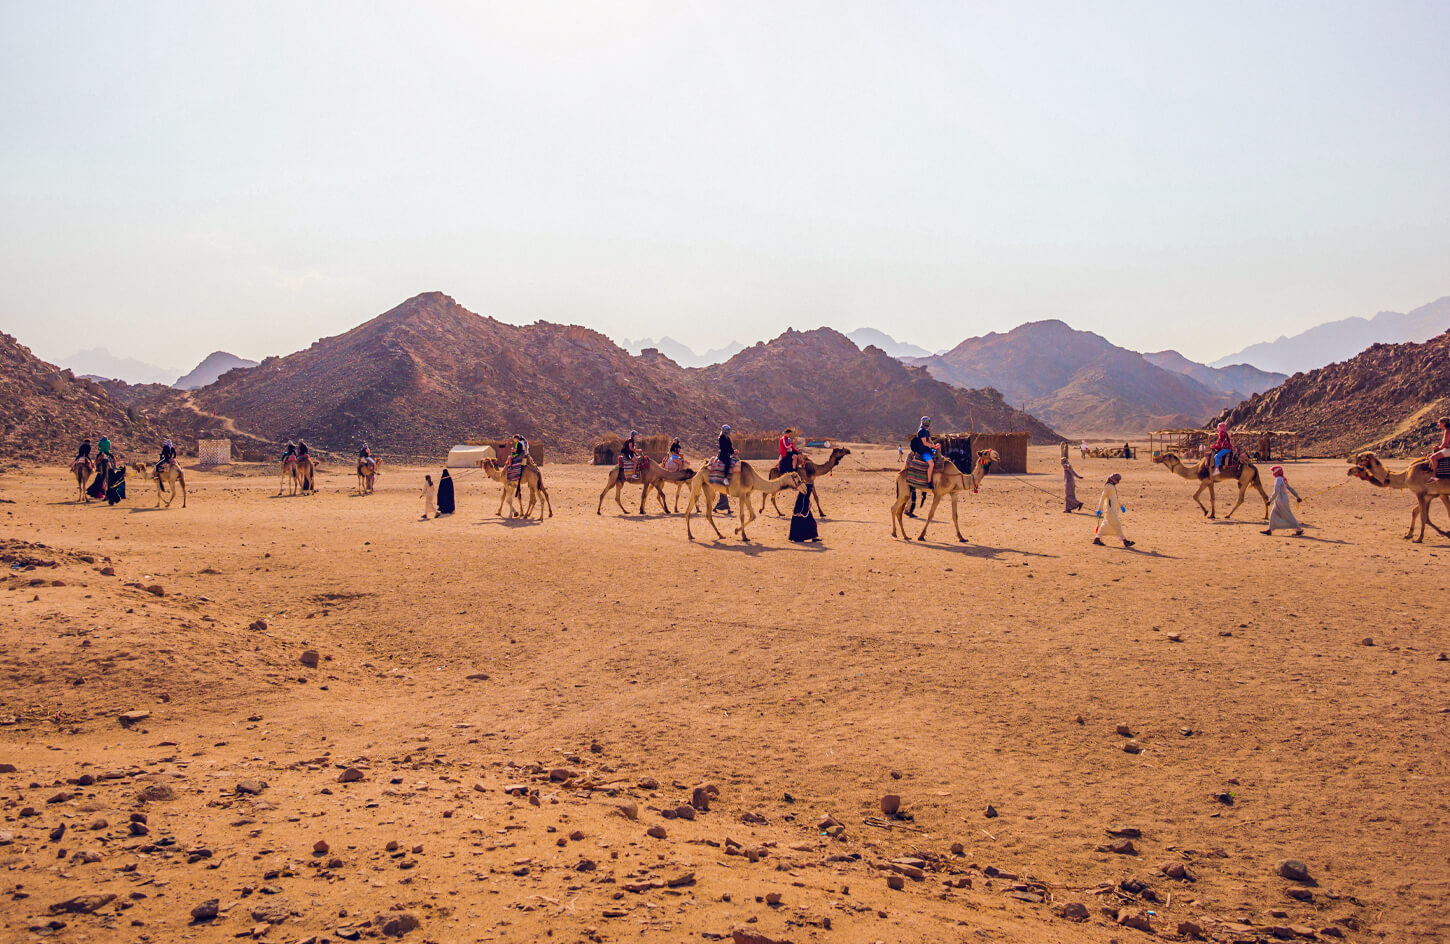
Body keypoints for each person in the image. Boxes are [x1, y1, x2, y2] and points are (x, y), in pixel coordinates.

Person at [1093, 473, 1134, 548]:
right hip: (1110, 510)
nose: (1118, 482)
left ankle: (1097, 538)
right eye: (1117, 480)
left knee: (1105, 524)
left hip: (1113, 510)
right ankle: (1125, 541)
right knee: (1117, 524)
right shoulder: (1108, 487)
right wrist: (1099, 509)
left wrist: (1121, 506)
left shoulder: (1112, 487)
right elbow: (1102, 498)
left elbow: (1115, 498)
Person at [1262, 465, 1303, 536]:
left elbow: (1276, 491)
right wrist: (1297, 496)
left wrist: (1270, 500)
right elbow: (1290, 488)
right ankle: (1270, 530)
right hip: (1281, 499)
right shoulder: (1283, 479)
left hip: (1281, 500)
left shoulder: (1278, 479)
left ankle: (1299, 529)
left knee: (1287, 515)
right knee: (1273, 514)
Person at [715, 424, 735, 512]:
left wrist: (734, 451)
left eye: (728, 430)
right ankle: (726, 477)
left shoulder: (728, 438)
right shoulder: (721, 438)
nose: (728, 432)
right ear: (723, 430)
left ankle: (725, 507)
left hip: (727, 454)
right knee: (728, 462)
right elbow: (724, 448)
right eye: (727, 430)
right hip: (723, 455)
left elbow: (730, 448)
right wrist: (732, 451)